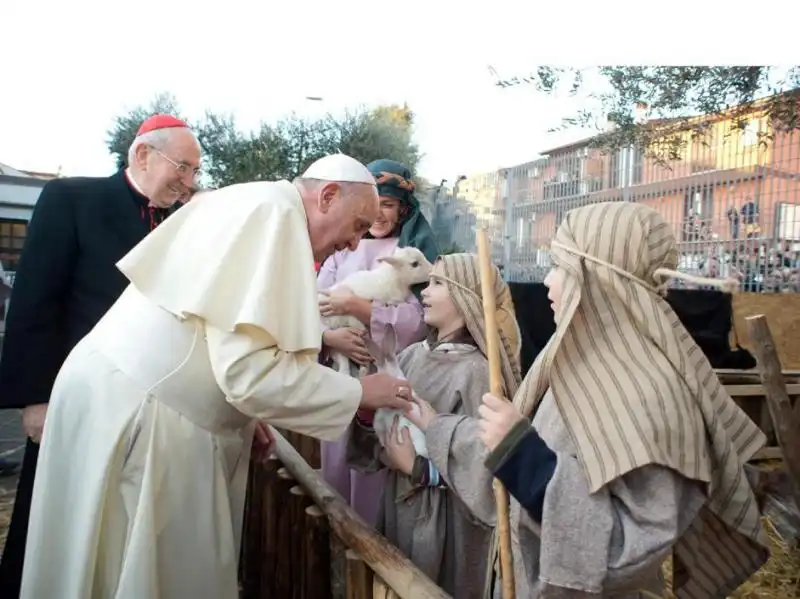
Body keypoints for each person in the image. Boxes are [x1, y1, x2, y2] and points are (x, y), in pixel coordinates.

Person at [19, 154, 414, 599]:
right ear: (326, 197)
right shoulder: (275, 218)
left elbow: (218, 338)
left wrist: (246, 416)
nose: (353, 244)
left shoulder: (257, 203)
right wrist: (360, 392)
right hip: (150, 417)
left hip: (126, 396)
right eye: (358, 226)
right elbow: (247, 375)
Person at [478, 202, 769, 598]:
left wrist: (522, 457)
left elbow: (626, 550)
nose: (547, 282)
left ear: (597, 280)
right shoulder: (573, 366)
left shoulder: (653, 394)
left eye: (560, 267)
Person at [0, 113, 201, 598]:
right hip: (75, 399)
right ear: (142, 154)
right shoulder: (71, 198)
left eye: (195, 171)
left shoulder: (180, 225)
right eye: (182, 167)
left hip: (142, 408)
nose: (189, 182)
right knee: (55, 521)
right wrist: (35, 399)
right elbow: (35, 299)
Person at [347, 253, 522, 598]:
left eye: (438, 283)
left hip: (447, 526)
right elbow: (376, 442)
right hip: (398, 508)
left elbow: (487, 478)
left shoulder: (477, 373)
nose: (424, 292)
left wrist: (417, 468)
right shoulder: (410, 357)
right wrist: (367, 415)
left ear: (466, 296)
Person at [317, 158, 438, 525]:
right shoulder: (343, 246)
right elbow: (317, 300)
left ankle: (371, 549)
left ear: (402, 209)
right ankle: (336, 546)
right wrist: (330, 339)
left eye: (388, 205)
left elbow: (417, 320)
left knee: (377, 468)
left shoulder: (412, 253)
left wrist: (358, 306)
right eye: (374, 205)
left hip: (387, 373)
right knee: (337, 462)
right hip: (343, 371)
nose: (380, 215)